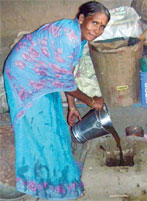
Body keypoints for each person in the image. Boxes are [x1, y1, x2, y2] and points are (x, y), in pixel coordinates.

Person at [3, 1, 109, 199]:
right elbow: (65, 80)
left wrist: (72, 107)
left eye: (102, 26)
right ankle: (44, 183)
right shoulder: (69, 37)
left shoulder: (80, 37)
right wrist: (90, 102)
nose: (98, 30)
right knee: (40, 128)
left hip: (43, 74)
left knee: (54, 121)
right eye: (95, 23)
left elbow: (67, 73)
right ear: (81, 19)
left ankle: (59, 173)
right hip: (23, 73)